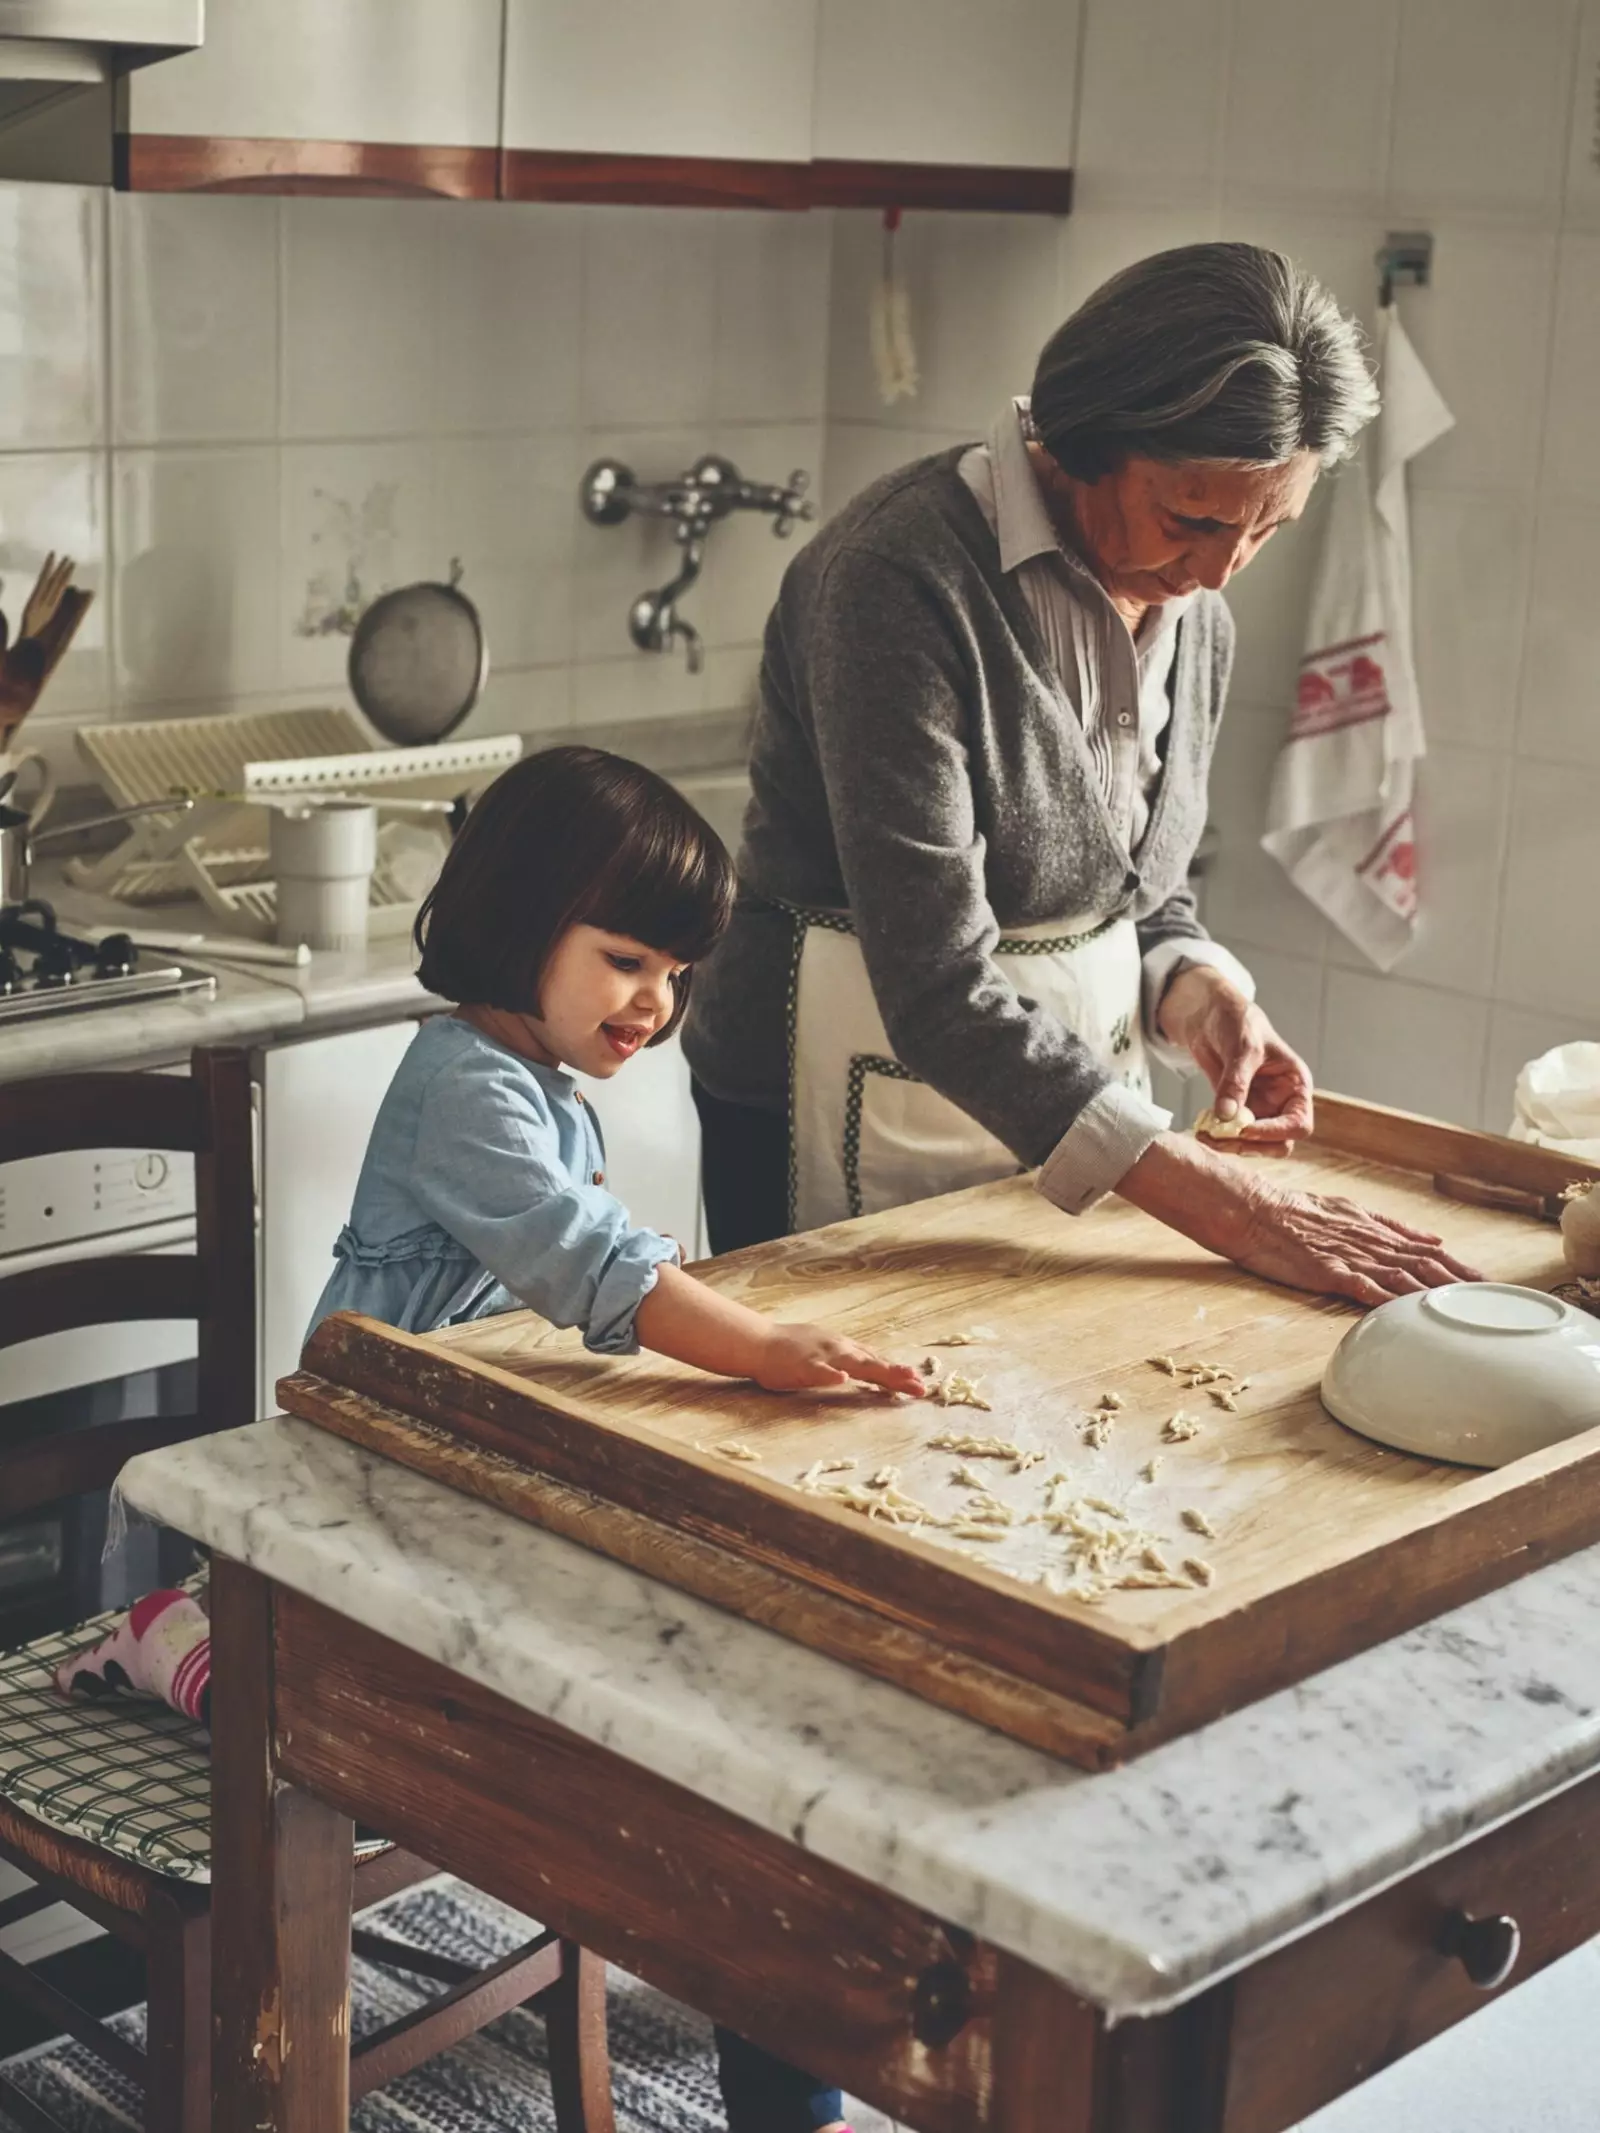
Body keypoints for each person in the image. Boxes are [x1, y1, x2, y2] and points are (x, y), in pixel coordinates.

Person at [59, 745, 904, 2133]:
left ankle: (751, 2006)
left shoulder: (531, 1077)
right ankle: (184, 1638)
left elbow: (587, 1266)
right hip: (353, 1492)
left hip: (437, 1471)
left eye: (677, 972)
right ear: (523, 922)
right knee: (669, 1699)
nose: (658, 1000)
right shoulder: (464, 1083)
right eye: (629, 957)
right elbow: (585, 1256)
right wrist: (753, 1346)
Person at [684, 242, 1480, 1303]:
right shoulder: (894, 580)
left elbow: (1145, 890)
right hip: (830, 1102)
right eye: (1192, 518)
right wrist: (1238, 1214)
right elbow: (935, 988)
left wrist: (1196, 991)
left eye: (1266, 530)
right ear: (1075, 443)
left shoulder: (1196, 612)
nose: (1215, 572)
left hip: (1074, 1116)